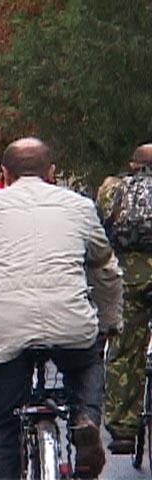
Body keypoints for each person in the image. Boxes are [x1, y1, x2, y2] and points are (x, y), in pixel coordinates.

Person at [0, 137, 123, 479]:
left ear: (4, 174)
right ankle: (86, 419)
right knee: (87, 363)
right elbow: (105, 269)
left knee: (0, 425)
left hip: (6, 328)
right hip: (71, 322)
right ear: (52, 172)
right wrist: (110, 321)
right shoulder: (79, 207)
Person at [98, 143, 152, 454]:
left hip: (128, 277)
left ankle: (122, 431)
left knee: (124, 350)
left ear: (134, 165)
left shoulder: (112, 189)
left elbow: (101, 226)